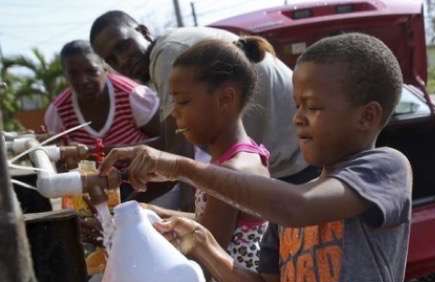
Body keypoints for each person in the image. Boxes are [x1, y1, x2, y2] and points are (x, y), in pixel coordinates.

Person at [99, 33, 415, 282]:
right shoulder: (288, 205)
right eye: (297, 105)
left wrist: (180, 166)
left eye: (312, 107)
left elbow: (299, 208)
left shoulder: (384, 168)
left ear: (367, 116)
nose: (297, 118)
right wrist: (203, 244)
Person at [143, 38, 282, 282]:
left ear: (226, 98)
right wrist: (145, 211)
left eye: (184, 101)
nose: (175, 113)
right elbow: (206, 222)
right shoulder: (227, 163)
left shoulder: (235, 169)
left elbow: (202, 243)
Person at [89, 10, 315, 185]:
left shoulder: (168, 55)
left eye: (124, 46)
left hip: (298, 160)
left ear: (144, 31)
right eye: (112, 59)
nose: (122, 60)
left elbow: (177, 154)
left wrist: (123, 191)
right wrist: (97, 154)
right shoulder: (167, 52)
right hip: (290, 155)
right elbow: (173, 147)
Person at [44, 40, 160, 150]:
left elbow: (166, 139)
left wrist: (95, 153)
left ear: (105, 68)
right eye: (73, 74)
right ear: (65, 76)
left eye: (91, 71)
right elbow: (57, 158)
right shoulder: (58, 112)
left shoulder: (132, 95)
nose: (83, 80)